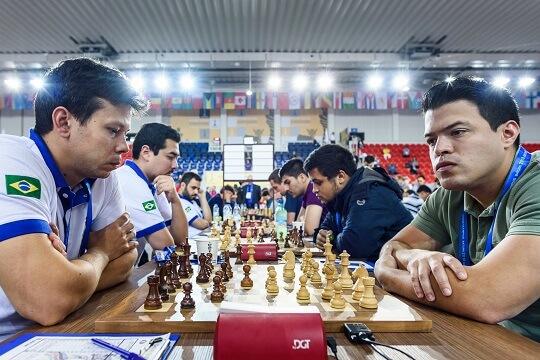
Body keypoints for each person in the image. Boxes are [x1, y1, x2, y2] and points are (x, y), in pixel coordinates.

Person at [374, 77, 540, 342]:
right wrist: (415, 255)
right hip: (495, 339)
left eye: (458, 132)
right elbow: (395, 246)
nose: (440, 149)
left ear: (507, 134)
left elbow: (487, 298)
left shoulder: (535, 184)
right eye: (431, 140)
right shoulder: (449, 195)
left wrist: (385, 274)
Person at [0, 58, 147, 337]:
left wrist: (69, 277)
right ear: (63, 121)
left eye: (125, 133)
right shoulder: (9, 160)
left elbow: (128, 257)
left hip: (58, 328)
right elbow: (48, 301)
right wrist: (101, 252)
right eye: (113, 130)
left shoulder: (103, 174)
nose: (124, 146)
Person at [304, 144, 412, 260]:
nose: (314, 189)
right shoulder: (339, 199)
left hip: (408, 269)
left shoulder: (370, 193)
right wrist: (320, 235)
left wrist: (331, 239)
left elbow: (353, 245)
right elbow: (325, 229)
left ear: (340, 177)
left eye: (318, 182)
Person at [116, 123, 187, 262]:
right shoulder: (129, 181)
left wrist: (175, 199)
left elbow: (181, 242)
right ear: (146, 153)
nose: (175, 165)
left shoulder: (154, 183)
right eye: (170, 157)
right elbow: (165, 246)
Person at [279, 158, 328, 236]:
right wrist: (303, 221)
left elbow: (310, 230)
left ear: (302, 177)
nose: (286, 188)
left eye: (288, 182)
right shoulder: (306, 193)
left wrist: (303, 222)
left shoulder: (313, 189)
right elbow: (298, 224)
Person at [179, 172, 212, 237]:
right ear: (183, 185)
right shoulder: (179, 202)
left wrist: (202, 197)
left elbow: (209, 220)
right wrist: (206, 223)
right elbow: (202, 225)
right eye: (193, 188)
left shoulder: (193, 201)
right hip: (190, 243)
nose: (196, 192)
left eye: (198, 189)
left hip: (200, 239)